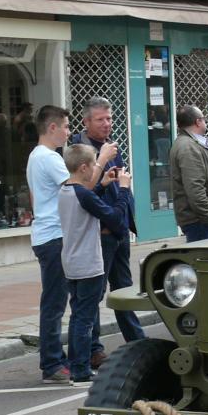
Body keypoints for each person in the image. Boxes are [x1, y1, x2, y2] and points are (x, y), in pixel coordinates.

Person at [27, 105, 118, 384]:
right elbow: (81, 189)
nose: (69, 132)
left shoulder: (36, 156)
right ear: (52, 127)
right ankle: (52, 362)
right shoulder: (51, 159)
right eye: (66, 127)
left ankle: (78, 355)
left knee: (64, 301)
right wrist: (101, 160)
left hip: (48, 233)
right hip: (54, 236)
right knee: (56, 303)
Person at [71, 97, 147, 346]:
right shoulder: (80, 150)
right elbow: (83, 192)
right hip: (99, 231)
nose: (106, 124)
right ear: (86, 121)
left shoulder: (111, 147)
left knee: (124, 290)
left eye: (109, 118)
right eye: (100, 119)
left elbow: (118, 182)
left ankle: (136, 342)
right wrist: (101, 162)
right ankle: (93, 348)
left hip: (119, 226)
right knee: (94, 293)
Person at [58, 145, 134, 385]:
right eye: (93, 165)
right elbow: (114, 219)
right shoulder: (83, 194)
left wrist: (101, 185)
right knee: (86, 318)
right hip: (88, 263)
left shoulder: (65, 190)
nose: (95, 169)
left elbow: (87, 205)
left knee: (77, 315)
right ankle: (80, 369)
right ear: (83, 167)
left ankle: (75, 363)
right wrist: (123, 189)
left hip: (70, 261)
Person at [170, 105, 208, 242]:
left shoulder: (192, 144)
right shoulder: (188, 147)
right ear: (198, 121)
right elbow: (195, 187)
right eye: (203, 119)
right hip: (199, 222)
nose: (205, 122)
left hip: (202, 220)